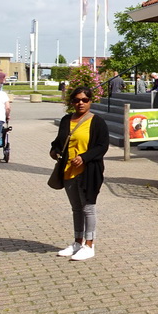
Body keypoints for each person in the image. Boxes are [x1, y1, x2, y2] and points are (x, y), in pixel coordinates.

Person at [50, 87, 109, 261]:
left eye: (84, 100)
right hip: (68, 170)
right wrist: (53, 150)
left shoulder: (97, 122)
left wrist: (84, 158)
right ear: (72, 102)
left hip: (88, 171)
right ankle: (77, 242)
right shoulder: (66, 120)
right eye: (76, 100)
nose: (80, 103)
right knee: (76, 208)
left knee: (88, 208)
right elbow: (59, 141)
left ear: (90, 101)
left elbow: (102, 146)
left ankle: (89, 244)